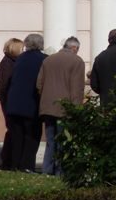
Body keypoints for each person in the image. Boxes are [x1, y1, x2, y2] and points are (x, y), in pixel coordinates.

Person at [36, 36, 85, 176]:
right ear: (74, 48)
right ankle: (61, 171)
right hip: (65, 108)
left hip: (47, 106)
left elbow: (39, 84)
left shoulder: (48, 59)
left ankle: (47, 169)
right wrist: (76, 110)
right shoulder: (77, 61)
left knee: (50, 140)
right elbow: (77, 88)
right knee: (63, 140)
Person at [5, 33, 47, 173]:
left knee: (17, 136)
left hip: (14, 103)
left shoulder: (20, 58)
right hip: (31, 104)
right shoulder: (44, 59)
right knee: (32, 136)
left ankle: (15, 164)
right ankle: (27, 166)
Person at [0, 37, 24, 170]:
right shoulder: (7, 63)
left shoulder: (12, 61)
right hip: (9, 101)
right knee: (13, 130)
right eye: (21, 48)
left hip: (9, 100)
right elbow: (5, 84)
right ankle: (6, 159)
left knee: (13, 130)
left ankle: (8, 159)